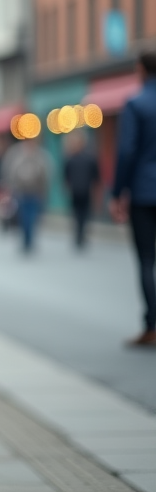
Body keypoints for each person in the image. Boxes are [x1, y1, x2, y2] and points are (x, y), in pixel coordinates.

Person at [109, 50, 156, 348]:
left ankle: (152, 325)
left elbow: (127, 152)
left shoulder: (136, 104)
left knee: (146, 260)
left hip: (143, 192)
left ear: (141, 69)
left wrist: (117, 193)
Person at [0, 135, 50, 254]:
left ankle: (29, 240)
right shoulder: (15, 153)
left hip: (35, 191)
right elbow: (8, 170)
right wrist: (9, 187)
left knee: (32, 217)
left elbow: (45, 175)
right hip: (20, 191)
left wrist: (43, 191)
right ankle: (26, 240)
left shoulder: (40, 155)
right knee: (23, 217)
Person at [63, 130, 100, 251]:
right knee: (78, 215)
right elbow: (66, 177)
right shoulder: (70, 159)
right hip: (75, 192)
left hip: (86, 191)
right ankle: (79, 235)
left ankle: (81, 235)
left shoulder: (89, 159)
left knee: (84, 215)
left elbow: (96, 178)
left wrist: (96, 193)